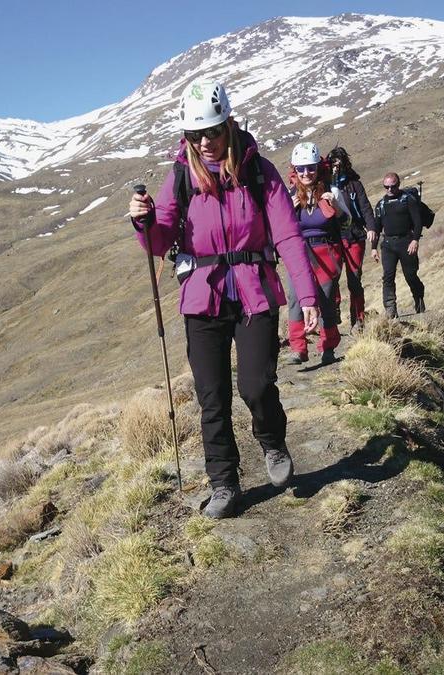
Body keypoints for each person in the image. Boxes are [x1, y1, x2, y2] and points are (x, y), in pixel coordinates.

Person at [129, 80, 320, 519]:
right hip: (202, 297)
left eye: (212, 132)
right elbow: (160, 241)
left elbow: (288, 236)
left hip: (254, 291)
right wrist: (143, 223)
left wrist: (306, 296)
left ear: (228, 124)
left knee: (255, 385)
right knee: (211, 396)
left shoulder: (259, 171)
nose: (205, 143)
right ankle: (224, 484)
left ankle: (272, 442)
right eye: (194, 136)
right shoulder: (179, 175)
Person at [287, 142, 345, 365]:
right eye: (301, 169)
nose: (306, 173)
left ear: (318, 167)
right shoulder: (289, 194)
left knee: (326, 301)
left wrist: (337, 209)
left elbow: (348, 223)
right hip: (298, 254)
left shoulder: (332, 192)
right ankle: (298, 349)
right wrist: (289, 211)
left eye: (310, 168)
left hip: (326, 253)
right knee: (295, 299)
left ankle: (327, 346)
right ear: (295, 170)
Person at [326, 146, 374, 332]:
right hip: (333, 237)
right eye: (332, 164)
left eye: (338, 163)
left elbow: (365, 206)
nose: (336, 167)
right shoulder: (325, 183)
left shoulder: (354, 184)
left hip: (354, 236)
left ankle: (358, 319)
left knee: (354, 279)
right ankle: (334, 309)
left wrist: (371, 228)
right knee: (331, 277)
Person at [368, 172, 428, 316]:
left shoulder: (408, 200)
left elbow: (417, 222)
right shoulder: (381, 204)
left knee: (410, 275)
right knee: (388, 276)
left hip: (406, 242)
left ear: (398, 184)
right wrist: (373, 248)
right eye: (386, 187)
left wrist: (415, 240)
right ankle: (390, 309)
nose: (389, 190)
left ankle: (419, 299)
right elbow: (376, 228)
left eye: (392, 186)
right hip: (388, 244)